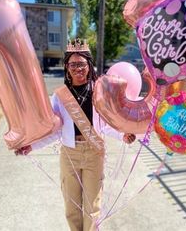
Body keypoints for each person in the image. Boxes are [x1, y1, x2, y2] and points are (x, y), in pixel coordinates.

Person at [16, 39, 136, 231]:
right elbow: (54, 130)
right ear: (67, 66)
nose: (77, 68)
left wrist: (123, 135)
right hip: (69, 154)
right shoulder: (60, 96)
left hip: (93, 152)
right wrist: (31, 146)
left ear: (89, 65)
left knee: (92, 207)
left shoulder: (99, 91)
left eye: (81, 64)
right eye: (73, 64)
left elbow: (106, 124)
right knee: (71, 206)